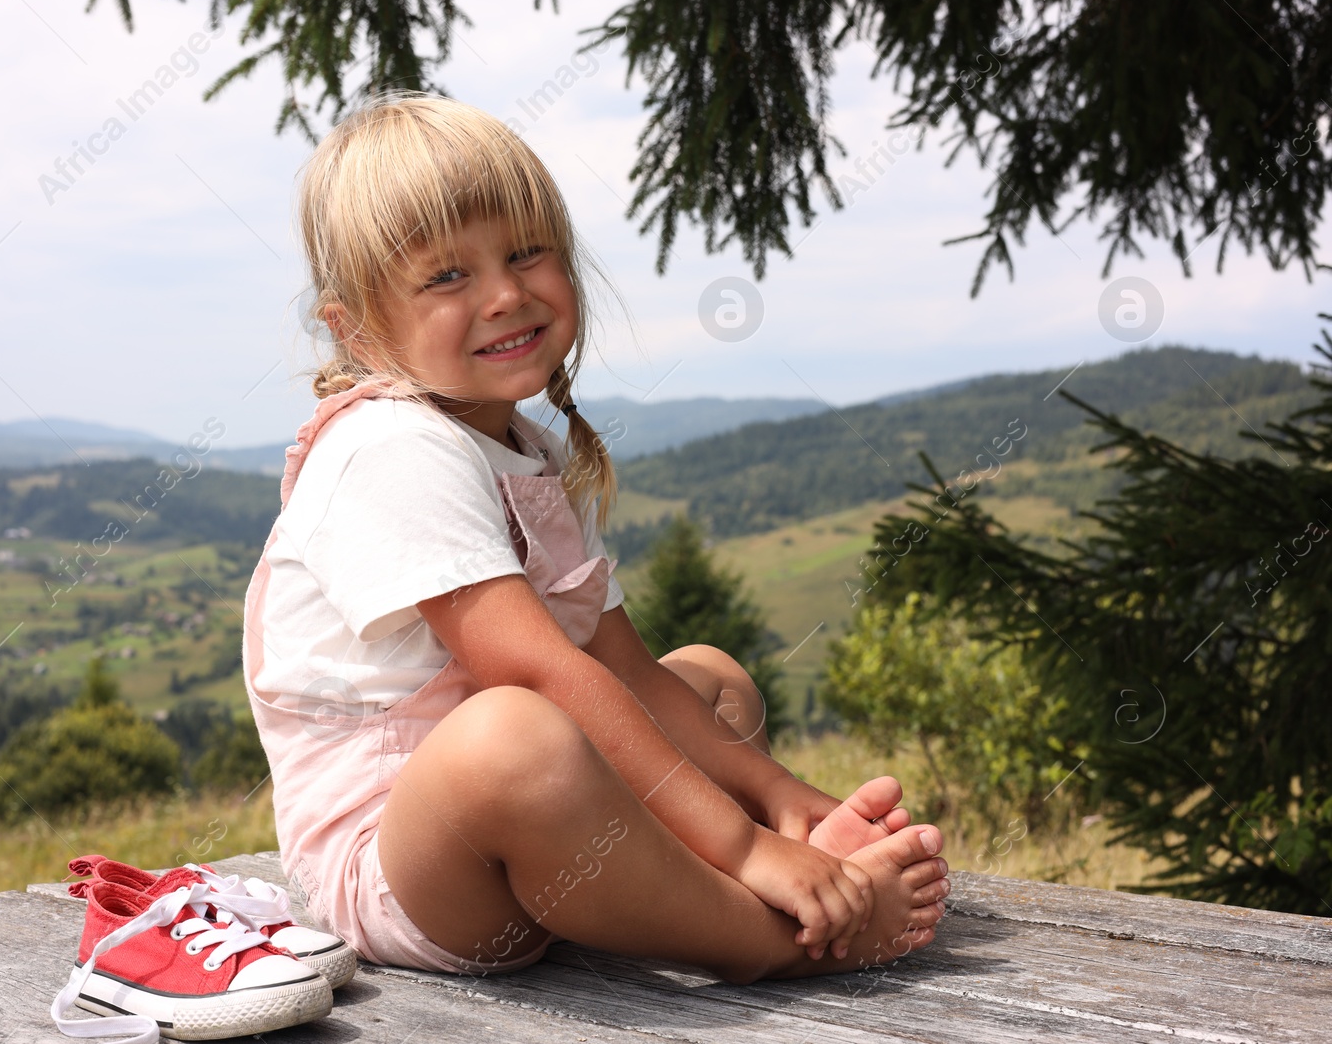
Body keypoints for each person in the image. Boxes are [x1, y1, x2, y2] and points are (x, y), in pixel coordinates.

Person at [241, 92, 948, 986]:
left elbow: (629, 670)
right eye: (448, 276)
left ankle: (770, 877)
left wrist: (779, 803)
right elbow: (541, 675)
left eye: (526, 251)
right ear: (359, 328)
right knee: (516, 735)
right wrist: (741, 843)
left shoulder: (521, 449)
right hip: (407, 869)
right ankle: (775, 936)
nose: (505, 293)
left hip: (537, 813)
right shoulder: (389, 445)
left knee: (710, 679)